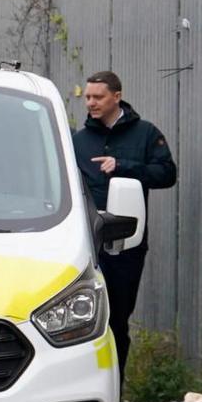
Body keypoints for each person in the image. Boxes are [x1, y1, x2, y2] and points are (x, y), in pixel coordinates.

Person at [74, 71, 178, 365]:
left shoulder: (145, 134)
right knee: (81, 321)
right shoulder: (78, 141)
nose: (91, 103)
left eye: (98, 97)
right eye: (88, 97)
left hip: (126, 244)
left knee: (117, 319)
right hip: (83, 244)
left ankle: (115, 392)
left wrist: (124, 166)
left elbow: (167, 174)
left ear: (116, 97)